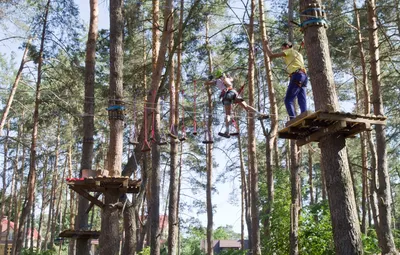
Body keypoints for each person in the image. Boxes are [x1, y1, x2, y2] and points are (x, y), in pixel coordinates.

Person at [205, 70, 268, 138]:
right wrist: (228, 75)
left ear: (217, 76)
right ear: (223, 74)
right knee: (246, 106)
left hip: (226, 95)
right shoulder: (226, 78)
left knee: (228, 114)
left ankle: (227, 132)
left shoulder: (216, 81)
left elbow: (206, 83)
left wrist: (210, 79)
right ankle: (261, 114)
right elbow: (232, 79)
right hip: (234, 92)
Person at [266, 42, 308, 119]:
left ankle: (293, 119)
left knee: (288, 100)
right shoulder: (298, 54)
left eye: (282, 48)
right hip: (304, 76)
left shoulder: (289, 51)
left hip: (297, 75)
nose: (282, 50)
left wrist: (266, 47)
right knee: (302, 99)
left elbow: (271, 56)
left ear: (287, 46)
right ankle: (305, 116)